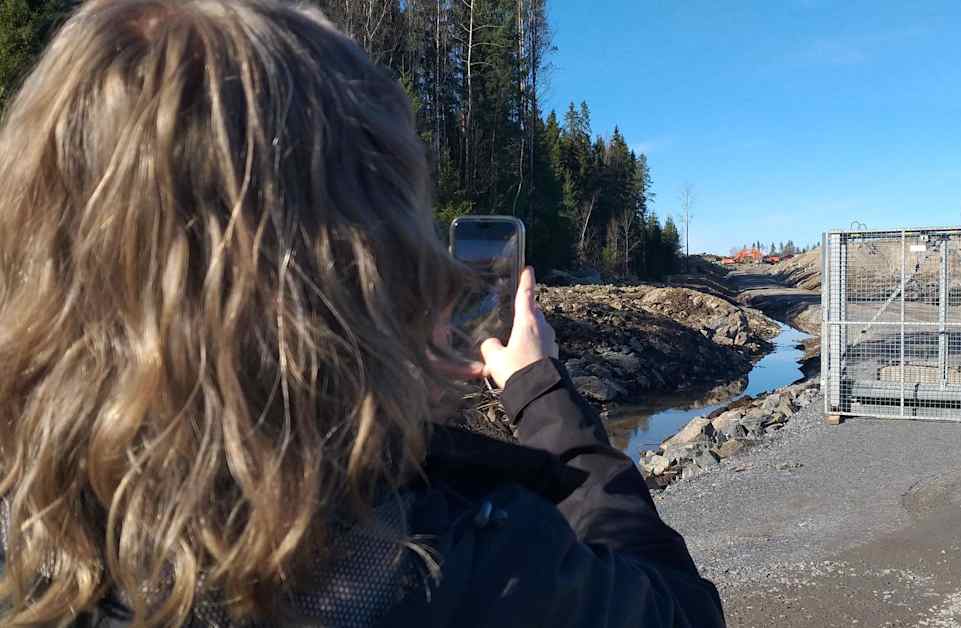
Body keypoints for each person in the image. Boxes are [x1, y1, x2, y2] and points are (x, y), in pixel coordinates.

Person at [0, 1, 724, 626]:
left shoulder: (31, 540)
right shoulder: (466, 567)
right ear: (372, 269)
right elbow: (678, 610)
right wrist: (540, 391)